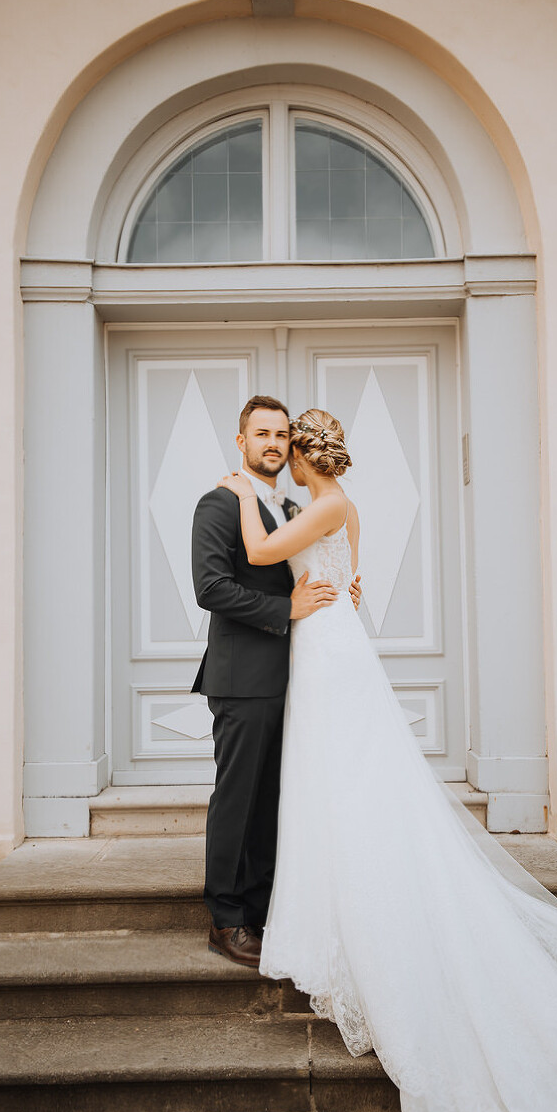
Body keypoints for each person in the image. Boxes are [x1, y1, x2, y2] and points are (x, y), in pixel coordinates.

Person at [216, 407, 557, 1112]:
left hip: (329, 653)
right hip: (333, 643)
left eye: (287, 451)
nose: (282, 463)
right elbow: (346, 586)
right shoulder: (335, 507)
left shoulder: (321, 504)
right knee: (341, 784)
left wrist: (236, 489)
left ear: (302, 454)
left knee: (344, 783)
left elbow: (264, 549)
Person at [191, 396, 361, 968]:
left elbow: (313, 565)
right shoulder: (219, 503)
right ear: (241, 442)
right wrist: (284, 609)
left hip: (297, 674)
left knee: (273, 801)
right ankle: (226, 919)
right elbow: (211, 589)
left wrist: (340, 589)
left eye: (281, 434)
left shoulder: (293, 504)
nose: (272, 442)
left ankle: (263, 909)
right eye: (260, 433)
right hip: (243, 676)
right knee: (239, 799)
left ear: (293, 446)